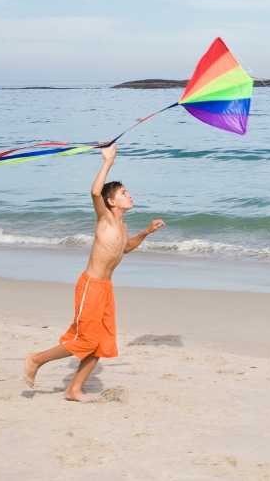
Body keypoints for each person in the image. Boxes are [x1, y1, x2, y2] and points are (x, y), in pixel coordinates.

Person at [22, 144, 164, 401]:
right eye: (123, 192)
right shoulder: (106, 219)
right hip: (90, 286)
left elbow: (126, 248)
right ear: (112, 201)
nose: (129, 195)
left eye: (127, 191)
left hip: (106, 288)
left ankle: (73, 389)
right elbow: (94, 191)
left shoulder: (122, 225)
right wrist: (108, 161)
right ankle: (36, 359)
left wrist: (145, 232)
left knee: (101, 344)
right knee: (86, 340)